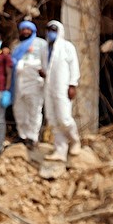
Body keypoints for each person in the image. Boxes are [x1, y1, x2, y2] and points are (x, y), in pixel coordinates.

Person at [43, 20, 81, 162]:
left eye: (53, 30)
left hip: (62, 87)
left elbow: (74, 66)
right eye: (48, 30)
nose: (50, 33)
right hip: (49, 88)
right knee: (53, 120)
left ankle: (75, 140)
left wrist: (73, 85)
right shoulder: (45, 49)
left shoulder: (67, 47)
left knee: (64, 119)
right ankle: (60, 150)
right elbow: (46, 68)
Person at [11, 20, 47, 145]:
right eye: (23, 29)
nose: (25, 31)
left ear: (33, 30)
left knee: (34, 110)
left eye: (28, 29)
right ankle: (23, 135)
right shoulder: (16, 46)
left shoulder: (41, 44)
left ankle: (33, 136)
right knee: (19, 110)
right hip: (19, 83)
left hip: (34, 83)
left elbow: (45, 63)